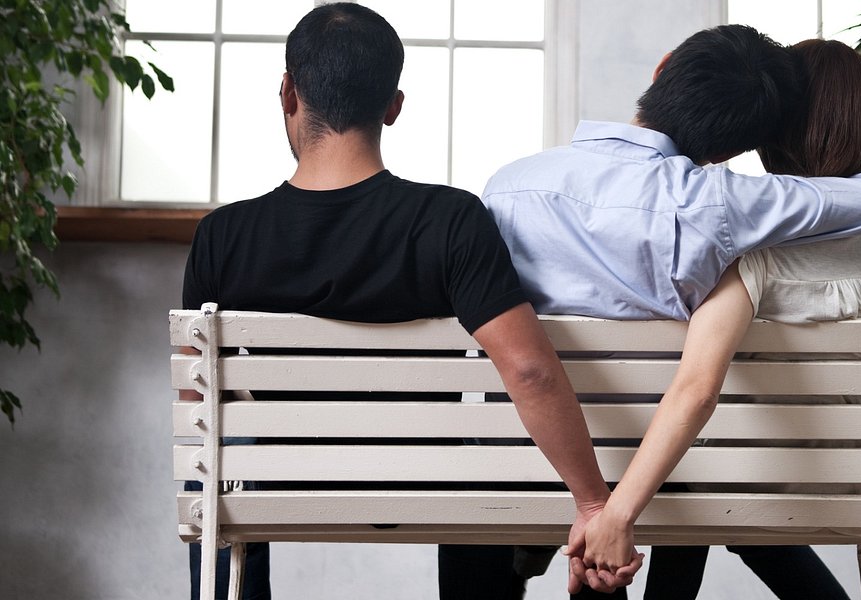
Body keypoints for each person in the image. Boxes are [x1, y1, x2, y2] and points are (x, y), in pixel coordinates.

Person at [177, 4, 639, 599]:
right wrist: (592, 504)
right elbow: (527, 369)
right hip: (426, 476)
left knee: (220, 468)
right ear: (393, 106)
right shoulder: (450, 220)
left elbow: (196, 403)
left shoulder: (224, 235)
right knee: (486, 464)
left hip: (283, 478)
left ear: (288, 93)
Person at [481, 25, 861, 598]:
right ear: (729, 152)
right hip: (672, 469)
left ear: (663, 67)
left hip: (519, 454)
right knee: (710, 468)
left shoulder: (507, 186)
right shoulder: (721, 203)